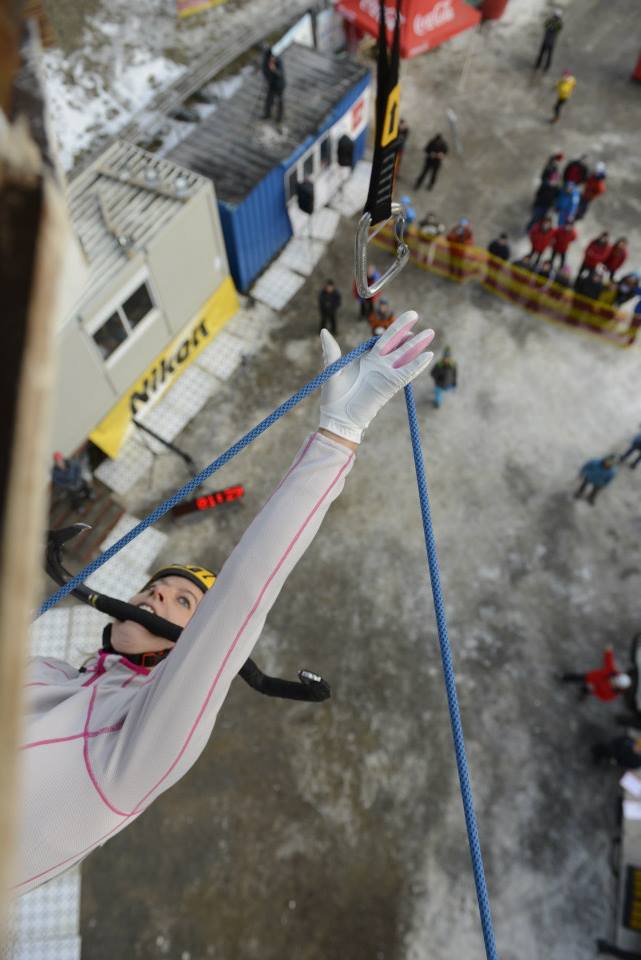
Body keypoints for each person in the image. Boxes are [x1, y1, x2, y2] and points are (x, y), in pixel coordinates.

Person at [15, 315, 436, 895]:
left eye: (184, 601)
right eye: (154, 588)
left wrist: (336, 439)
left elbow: (242, 593)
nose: (155, 593)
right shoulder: (50, 676)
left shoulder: (139, 744)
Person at [560, 647, 632, 701]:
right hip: (590, 677)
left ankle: (583, 693)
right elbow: (609, 662)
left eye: (615, 682)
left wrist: (595, 691)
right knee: (576, 677)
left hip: (593, 688)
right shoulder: (612, 673)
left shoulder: (611, 693)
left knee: (586, 690)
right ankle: (563, 678)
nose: (613, 680)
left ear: (618, 687)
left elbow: (604, 697)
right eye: (615, 679)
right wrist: (608, 652)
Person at [262, 49, 285, 123]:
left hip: (279, 84)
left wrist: (274, 70)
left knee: (280, 101)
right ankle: (267, 114)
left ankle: (279, 117)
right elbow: (265, 73)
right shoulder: (265, 63)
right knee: (269, 100)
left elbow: (281, 74)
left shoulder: (278, 61)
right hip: (271, 85)